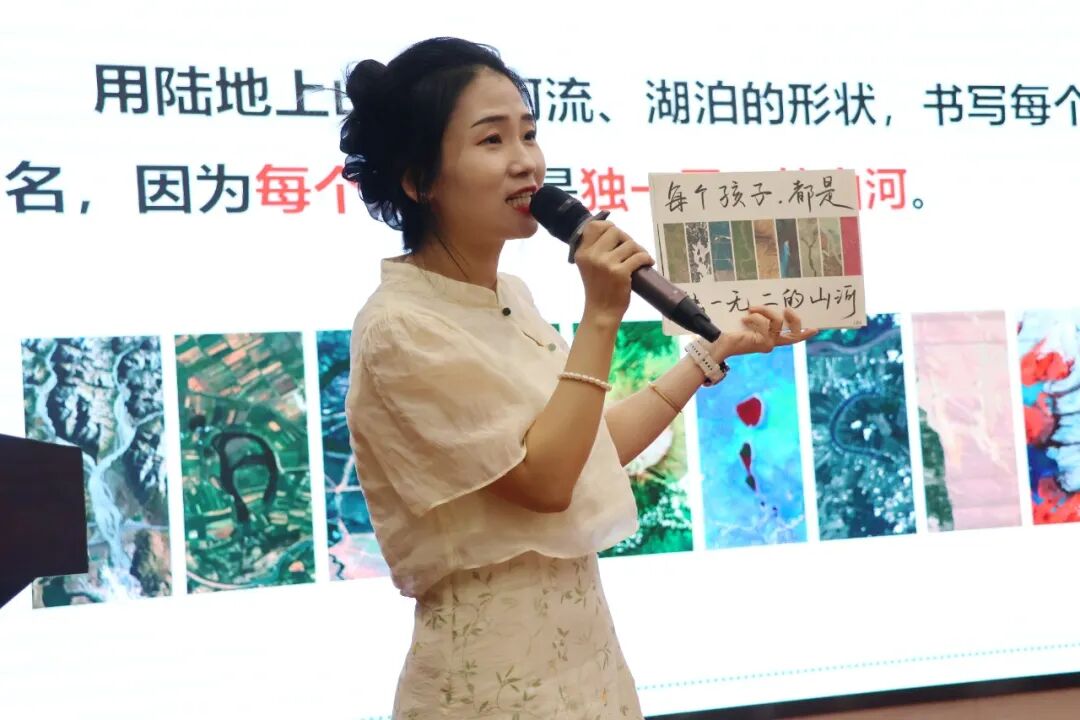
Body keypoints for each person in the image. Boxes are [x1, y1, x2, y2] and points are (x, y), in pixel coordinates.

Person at [340, 37, 816, 719]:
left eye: (529, 134)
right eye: (492, 140)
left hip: (585, 667)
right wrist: (600, 315)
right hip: (492, 688)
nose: (526, 161)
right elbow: (546, 483)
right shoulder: (400, 327)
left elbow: (589, 448)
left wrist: (712, 352)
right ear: (419, 181)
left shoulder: (508, 295)